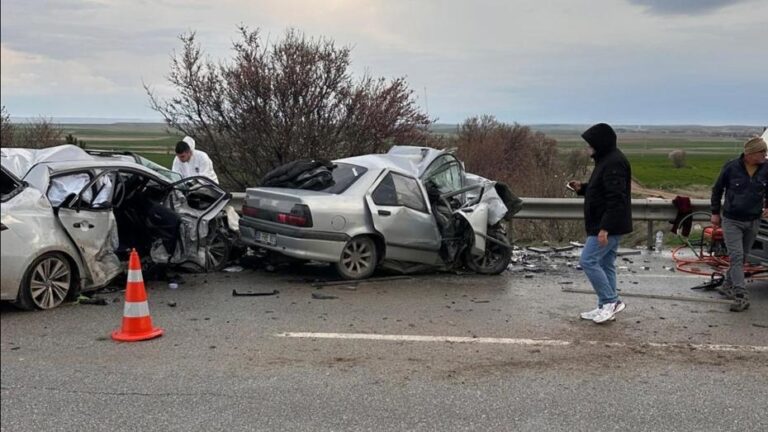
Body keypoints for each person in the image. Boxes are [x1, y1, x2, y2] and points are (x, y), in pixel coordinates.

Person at [567, 123, 633, 324]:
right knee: (605, 264)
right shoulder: (606, 160)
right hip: (606, 223)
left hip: (607, 225)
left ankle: (610, 301)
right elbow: (601, 189)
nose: (587, 147)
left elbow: (616, 199)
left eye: (590, 144)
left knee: (588, 261)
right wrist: (582, 188)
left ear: (600, 143)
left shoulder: (613, 163)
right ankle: (606, 305)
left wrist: (605, 228)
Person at [710, 136, 768, 312]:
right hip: (732, 220)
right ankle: (741, 295)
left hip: (754, 220)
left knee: (742, 257)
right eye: (762, 152)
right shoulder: (731, 167)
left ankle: (727, 285)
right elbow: (717, 189)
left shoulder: (766, 168)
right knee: (736, 256)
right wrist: (715, 213)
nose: (765, 155)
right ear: (750, 153)